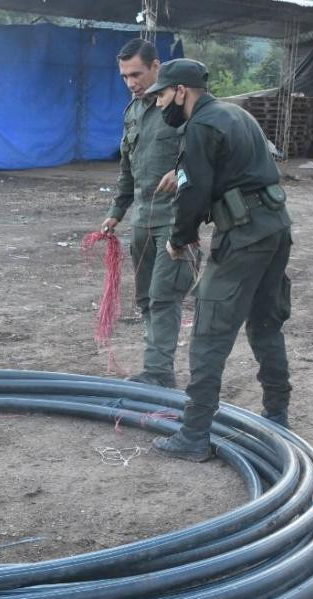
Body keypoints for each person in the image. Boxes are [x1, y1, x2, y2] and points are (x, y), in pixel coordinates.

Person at [146, 59, 294, 462]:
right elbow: (228, 164)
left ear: (181, 91)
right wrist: (180, 172)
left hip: (243, 236)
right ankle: (277, 413)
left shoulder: (201, 126)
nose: (160, 105)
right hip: (275, 227)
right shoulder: (235, 114)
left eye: (161, 95)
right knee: (266, 322)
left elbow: (195, 194)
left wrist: (180, 239)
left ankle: (194, 435)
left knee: (210, 331)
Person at [100, 38, 191, 389]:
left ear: (157, 66)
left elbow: (206, 160)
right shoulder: (133, 112)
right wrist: (116, 211)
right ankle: (158, 369)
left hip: (176, 218)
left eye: (136, 74)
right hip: (143, 219)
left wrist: (181, 175)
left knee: (164, 295)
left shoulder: (182, 107)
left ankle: (157, 372)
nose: (131, 83)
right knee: (146, 298)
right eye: (124, 76)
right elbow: (128, 167)